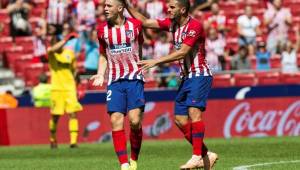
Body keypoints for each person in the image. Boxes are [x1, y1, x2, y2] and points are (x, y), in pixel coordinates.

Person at [125, 0, 218, 169]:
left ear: (182, 9)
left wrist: (156, 61)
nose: (168, 9)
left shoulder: (194, 26)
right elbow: (145, 22)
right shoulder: (171, 24)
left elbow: (182, 52)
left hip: (200, 74)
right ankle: (206, 154)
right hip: (186, 77)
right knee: (180, 120)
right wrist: (125, 5)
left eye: (172, 7)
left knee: (194, 112)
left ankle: (196, 156)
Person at [90, 0, 145, 170]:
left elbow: (140, 46)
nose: (105, 9)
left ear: (120, 8)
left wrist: (140, 66)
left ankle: (134, 158)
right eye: (104, 6)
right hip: (114, 80)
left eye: (109, 6)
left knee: (135, 121)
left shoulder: (135, 26)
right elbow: (103, 55)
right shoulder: (102, 30)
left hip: (134, 78)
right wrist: (101, 73)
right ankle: (123, 164)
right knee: (116, 120)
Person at [47, 32, 83, 149]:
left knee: (73, 114)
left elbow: (74, 70)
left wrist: (78, 84)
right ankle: (53, 139)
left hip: (69, 89)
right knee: (55, 116)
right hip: (56, 89)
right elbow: (52, 49)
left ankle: (73, 142)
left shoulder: (69, 54)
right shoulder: (51, 53)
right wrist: (66, 39)